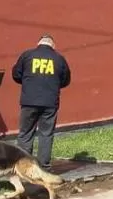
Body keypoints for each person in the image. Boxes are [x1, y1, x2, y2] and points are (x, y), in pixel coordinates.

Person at [12, 34, 71, 170]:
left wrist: (28, 82)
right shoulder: (59, 59)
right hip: (50, 102)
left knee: (26, 134)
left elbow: (16, 74)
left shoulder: (27, 55)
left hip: (29, 101)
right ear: (53, 45)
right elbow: (65, 80)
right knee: (46, 134)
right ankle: (44, 167)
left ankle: (23, 166)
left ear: (38, 43)